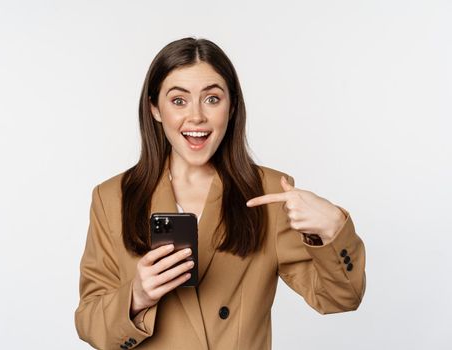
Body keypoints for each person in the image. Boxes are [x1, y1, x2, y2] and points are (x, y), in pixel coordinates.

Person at [74, 37, 366, 350]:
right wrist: (136, 297)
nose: (197, 116)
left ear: (232, 107)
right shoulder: (112, 197)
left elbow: (340, 299)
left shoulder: (270, 193)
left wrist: (333, 228)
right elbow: (90, 324)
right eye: (179, 100)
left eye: (212, 99)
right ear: (154, 109)